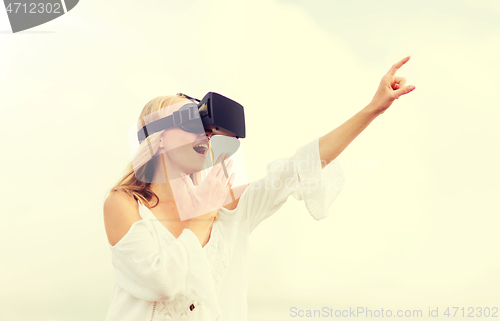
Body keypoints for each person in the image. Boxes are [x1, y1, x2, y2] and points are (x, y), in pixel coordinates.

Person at [103, 56, 416, 320]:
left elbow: (300, 165)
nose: (205, 134)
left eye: (206, 128)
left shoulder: (231, 204)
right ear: (158, 140)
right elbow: (162, 281)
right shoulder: (126, 204)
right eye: (190, 122)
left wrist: (372, 109)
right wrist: (203, 215)